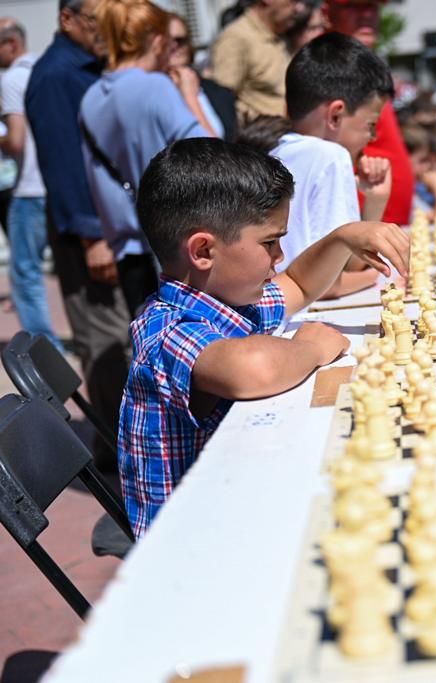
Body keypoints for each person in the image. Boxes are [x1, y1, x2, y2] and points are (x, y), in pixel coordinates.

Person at [119, 137, 409, 536]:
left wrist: (343, 238)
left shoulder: (225, 299)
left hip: (237, 493)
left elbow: (301, 285)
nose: (279, 257)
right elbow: (253, 368)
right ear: (203, 250)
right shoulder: (166, 329)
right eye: (270, 242)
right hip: (192, 541)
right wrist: (310, 347)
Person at [25, 0, 132, 475]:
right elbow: (64, 164)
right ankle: (119, 450)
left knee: (119, 336)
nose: (103, 30)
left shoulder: (87, 64)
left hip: (108, 227)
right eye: (95, 20)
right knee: (106, 342)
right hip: (86, 233)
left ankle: (127, 437)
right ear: (67, 19)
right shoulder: (55, 75)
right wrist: (92, 237)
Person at [80, 0, 217, 314]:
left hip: (128, 249)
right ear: (157, 40)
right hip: (177, 249)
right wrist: (189, 95)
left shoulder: (90, 98)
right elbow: (210, 153)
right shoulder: (156, 87)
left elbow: (96, 182)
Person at [267, 32, 395, 297]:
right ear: (335, 115)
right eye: (370, 125)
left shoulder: (276, 152)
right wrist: (383, 273)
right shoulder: (331, 156)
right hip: (308, 315)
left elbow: (348, 261)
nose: (371, 138)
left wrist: (375, 202)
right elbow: (331, 284)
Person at [0, 19, 63, 349]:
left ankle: (44, 349)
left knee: (25, 274)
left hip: (28, 187)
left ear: (11, 45)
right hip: (55, 184)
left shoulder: (11, 79)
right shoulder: (43, 69)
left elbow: (17, 141)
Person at [325, 0, 414, 226]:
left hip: (382, 223)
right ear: (327, 12)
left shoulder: (360, 61)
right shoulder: (326, 65)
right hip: (363, 228)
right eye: (353, 6)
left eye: (372, 7)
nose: (366, 15)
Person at [210, 0, 298, 123]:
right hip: (263, 137)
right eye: (292, 1)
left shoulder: (278, 33)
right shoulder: (236, 38)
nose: (298, 8)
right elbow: (221, 99)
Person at [168, 12, 237, 141]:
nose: (174, 46)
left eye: (180, 40)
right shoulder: (153, 93)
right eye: (167, 41)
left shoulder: (217, 91)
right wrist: (189, 97)